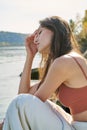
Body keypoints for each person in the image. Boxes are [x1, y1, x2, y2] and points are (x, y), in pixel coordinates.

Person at [0, 16, 87, 130]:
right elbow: (25, 94)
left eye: (39, 33)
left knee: (19, 103)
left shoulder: (64, 62)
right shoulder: (66, 60)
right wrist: (30, 56)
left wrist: (6, 122)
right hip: (76, 124)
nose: (35, 39)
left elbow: (27, 104)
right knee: (21, 102)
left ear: (55, 30)